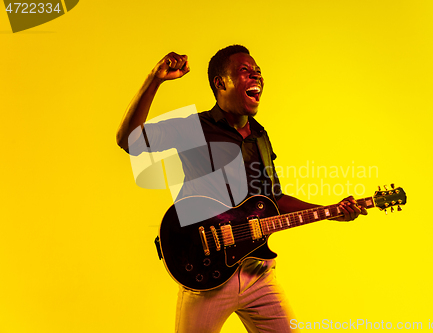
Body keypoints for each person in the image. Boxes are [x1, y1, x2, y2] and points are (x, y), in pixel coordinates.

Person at [116, 45, 367, 333]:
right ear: (220, 83)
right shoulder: (195, 127)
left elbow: (272, 198)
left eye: (258, 70)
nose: (256, 75)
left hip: (257, 273)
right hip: (207, 274)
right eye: (245, 71)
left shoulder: (260, 135)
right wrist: (155, 79)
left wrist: (329, 211)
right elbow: (129, 141)